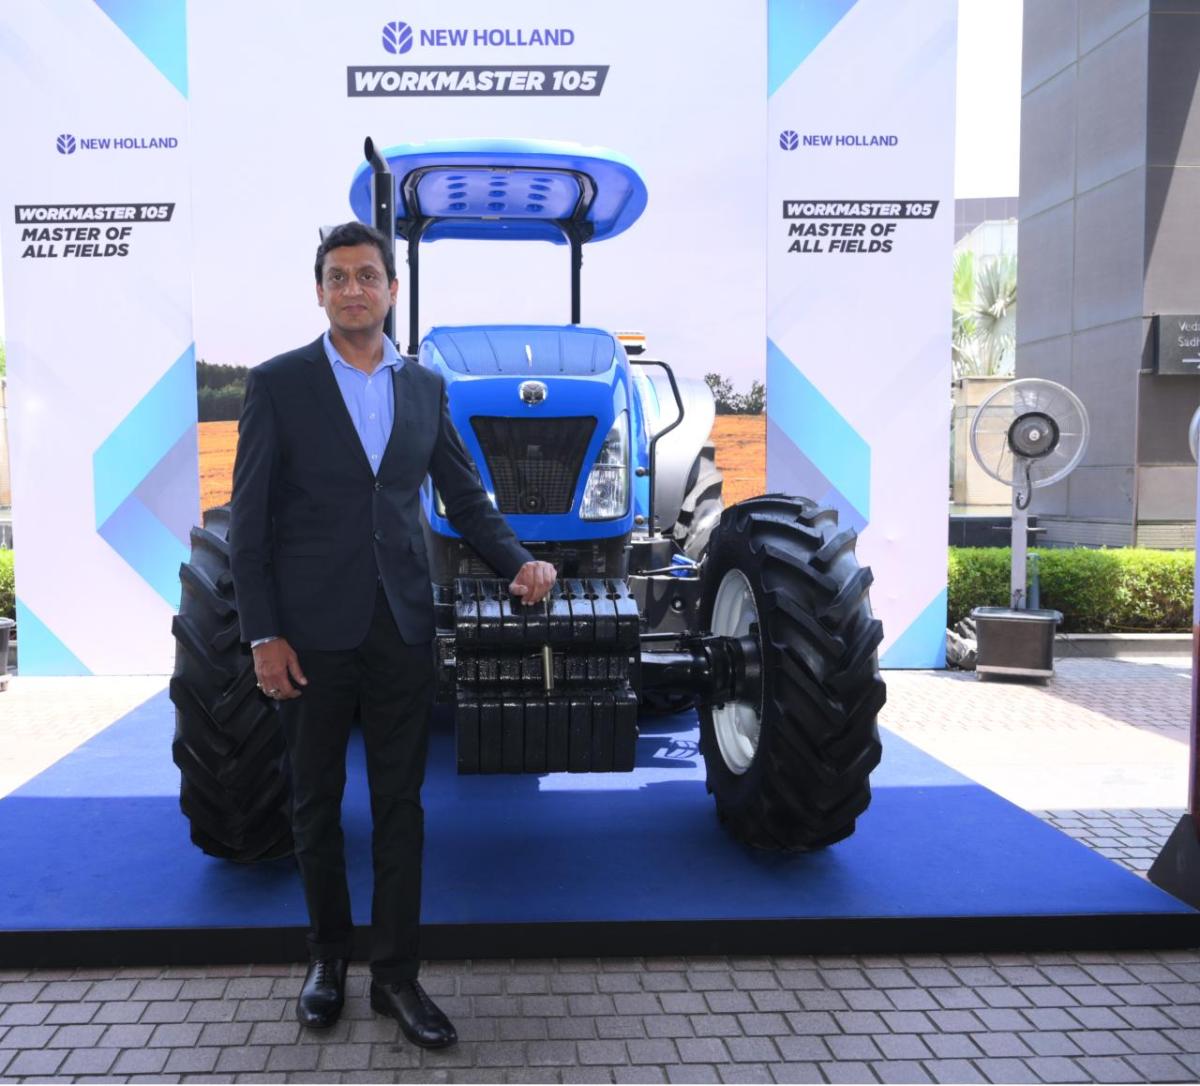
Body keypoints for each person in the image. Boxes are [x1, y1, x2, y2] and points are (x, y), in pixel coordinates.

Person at [229, 221, 556, 1046]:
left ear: (391, 290)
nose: (353, 290)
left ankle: (398, 979)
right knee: (313, 804)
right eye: (337, 277)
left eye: (367, 276)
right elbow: (250, 527)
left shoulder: (425, 388)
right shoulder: (278, 385)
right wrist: (264, 634)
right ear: (319, 291)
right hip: (308, 636)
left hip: (403, 629)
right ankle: (327, 961)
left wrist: (518, 560)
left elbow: (464, 495)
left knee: (400, 808)